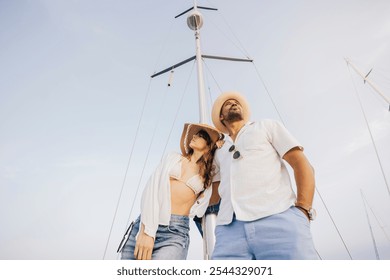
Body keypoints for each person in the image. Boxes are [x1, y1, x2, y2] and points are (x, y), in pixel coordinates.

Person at [209, 91, 318, 260]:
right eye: (228, 103)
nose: (234, 104)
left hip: (278, 219)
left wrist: (304, 210)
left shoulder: (266, 126)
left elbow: (301, 164)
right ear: (221, 116)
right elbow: (214, 192)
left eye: (236, 102)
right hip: (228, 232)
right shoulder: (219, 150)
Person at [118, 123, 221, 260]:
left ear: (208, 146)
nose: (195, 136)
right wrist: (146, 230)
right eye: (195, 134)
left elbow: (227, 162)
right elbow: (152, 188)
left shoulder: (208, 174)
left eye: (200, 135)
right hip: (147, 221)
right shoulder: (173, 158)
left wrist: (222, 145)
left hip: (175, 232)